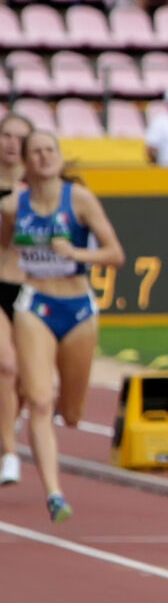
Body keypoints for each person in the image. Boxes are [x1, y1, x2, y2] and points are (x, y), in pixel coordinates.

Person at [5, 130, 125, 523]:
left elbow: (115, 254)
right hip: (34, 305)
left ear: (59, 156)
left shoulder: (81, 199)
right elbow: (4, 248)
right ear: (25, 161)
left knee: (71, 413)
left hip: (78, 307)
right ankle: (54, 494)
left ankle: (50, 410)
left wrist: (77, 253)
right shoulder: (11, 207)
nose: (43, 157)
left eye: (49, 150)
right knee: (40, 401)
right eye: (35, 152)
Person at [0, 112, 30, 489]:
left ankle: (5, 431)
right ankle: (10, 452)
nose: (10, 142)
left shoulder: (40, 190)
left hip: (30, 288)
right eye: (5, 134)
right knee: (6, 365)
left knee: (27, 384)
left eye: (18, 137)